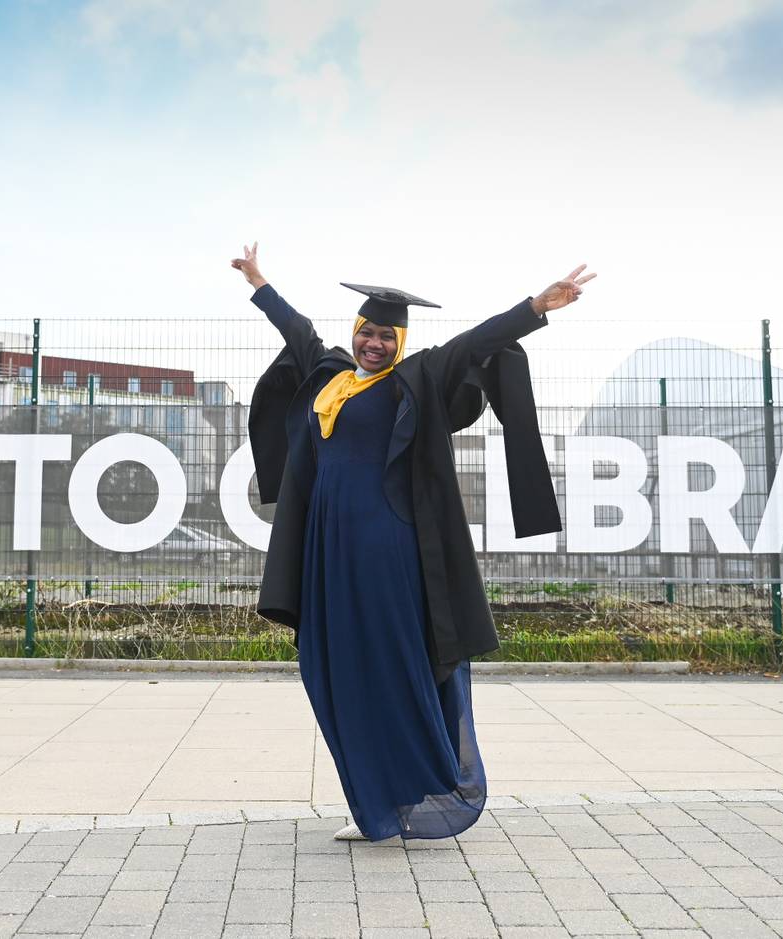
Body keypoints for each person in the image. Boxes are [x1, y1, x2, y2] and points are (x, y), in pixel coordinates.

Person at [231, 243, 594, 841]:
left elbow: (475, 344)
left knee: (389, 667)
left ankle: (405, 798)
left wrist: (537, 306)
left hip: (385, 550)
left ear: (400, 342)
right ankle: (374, 802)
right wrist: (259, 281)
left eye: (386, 337)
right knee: (331, 669)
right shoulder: (330, 375)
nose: (375, 344)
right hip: (327, 552)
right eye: (367, 333)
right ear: (355, 332)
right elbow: (296, 331)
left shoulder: (415, 379)